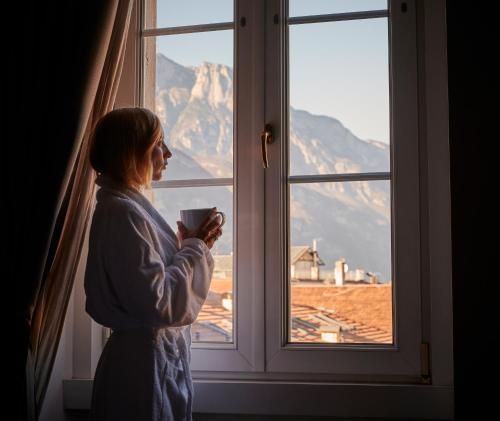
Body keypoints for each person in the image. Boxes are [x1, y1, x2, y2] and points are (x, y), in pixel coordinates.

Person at [84, 107, 223, 421]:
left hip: (149, 363)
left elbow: (150, 285)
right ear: (133, 152)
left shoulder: (129, 208)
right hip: (141, 372)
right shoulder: (122, 214)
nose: (169, 152)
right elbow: (158, 302)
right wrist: (194, 247)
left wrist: (191, 246)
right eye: (159, 143)